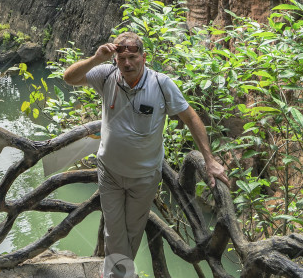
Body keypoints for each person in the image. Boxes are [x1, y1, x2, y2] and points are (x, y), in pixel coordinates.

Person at [63, 32, 229, 278]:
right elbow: (70, 78)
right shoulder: (107, 75)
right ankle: (118, 275)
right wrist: (96, 58)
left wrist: (209, 160)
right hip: (109, 172)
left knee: (132, 229)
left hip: (145, 176)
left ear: (144, 57)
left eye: (133, 57)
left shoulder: (161, 84)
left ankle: (117, 273)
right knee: (114, 229)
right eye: (122, 58)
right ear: (115, 59)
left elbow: (191, 117)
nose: (127, 63)